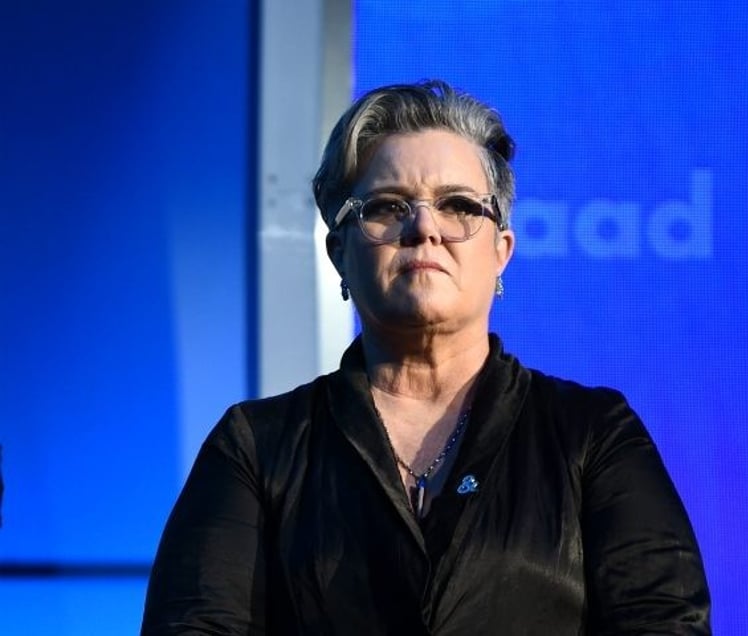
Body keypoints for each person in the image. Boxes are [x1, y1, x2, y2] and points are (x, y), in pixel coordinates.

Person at [141, 80, 710, 634]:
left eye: (458, 205)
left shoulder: (593, 434)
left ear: (501, 253)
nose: (424, 228)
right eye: (388, 206)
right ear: (339, 253)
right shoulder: (257, 447)